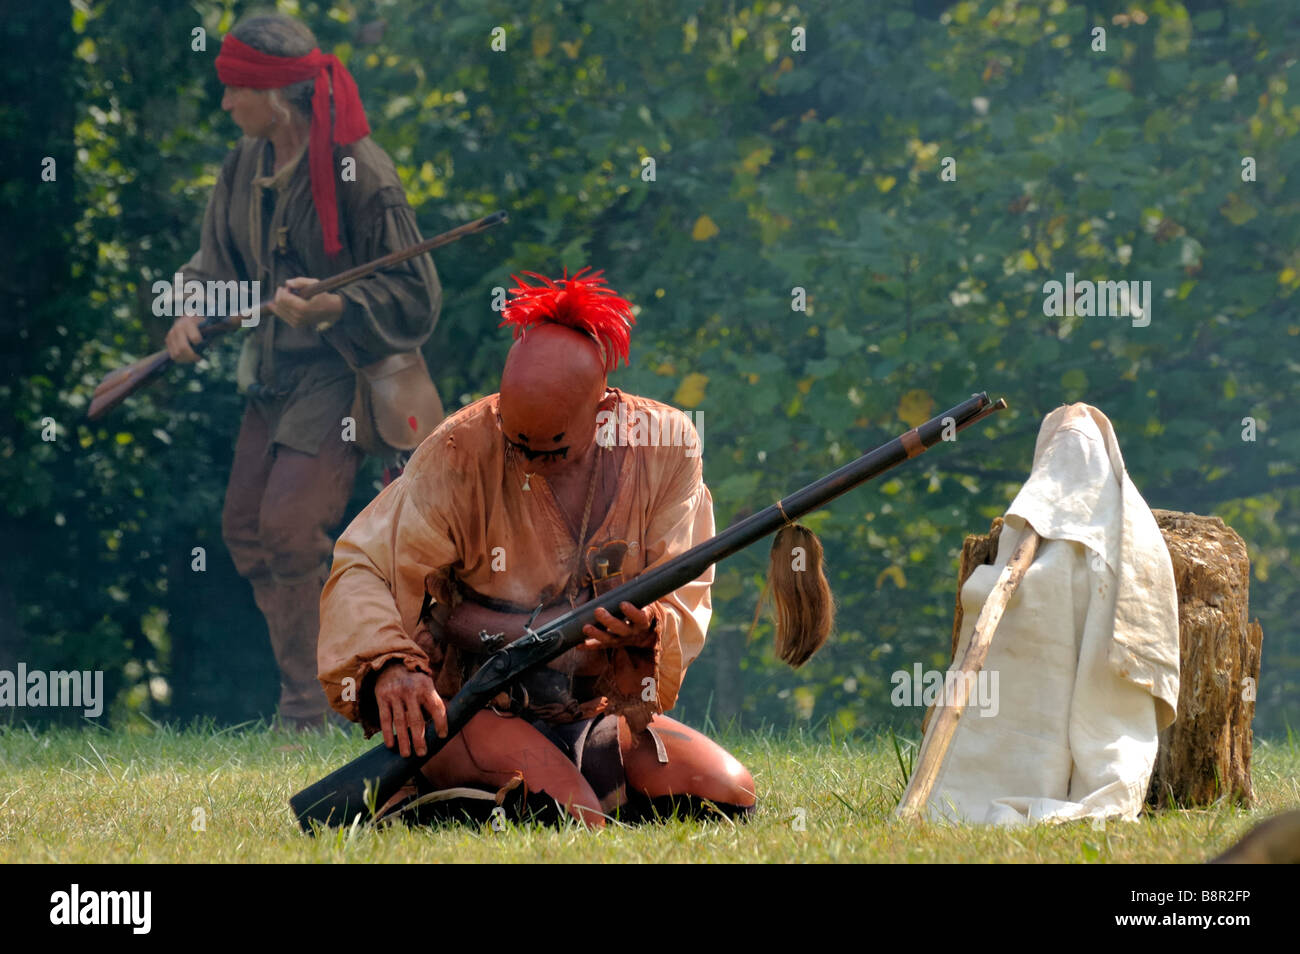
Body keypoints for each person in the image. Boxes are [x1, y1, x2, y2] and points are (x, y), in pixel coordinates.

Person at [317, 269, 756, 826]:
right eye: (514, 441)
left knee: (725, 793)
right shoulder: (456, 450)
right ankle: (436, 785)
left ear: (600, 417)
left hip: (593, 709)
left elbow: (683, 586)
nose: (524, 462)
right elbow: (363, 565)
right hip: (473, 710)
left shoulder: (664, 448)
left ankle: (494, 801)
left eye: (548, 449)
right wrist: (389, 665)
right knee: (581, 822)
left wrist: (647, 627)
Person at [162, 13, 441, 729]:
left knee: (288, 532)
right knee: (246, 534)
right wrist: (192, 308)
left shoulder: (363, 168)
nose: (225, 104)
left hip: (340, 375)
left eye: (235, 90)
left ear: (275, 95)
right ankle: (316, 693)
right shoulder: (243, 163)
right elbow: (213, 266)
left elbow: (417, 296)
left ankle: (309, 711)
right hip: (272, 376)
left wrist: (335, 305)